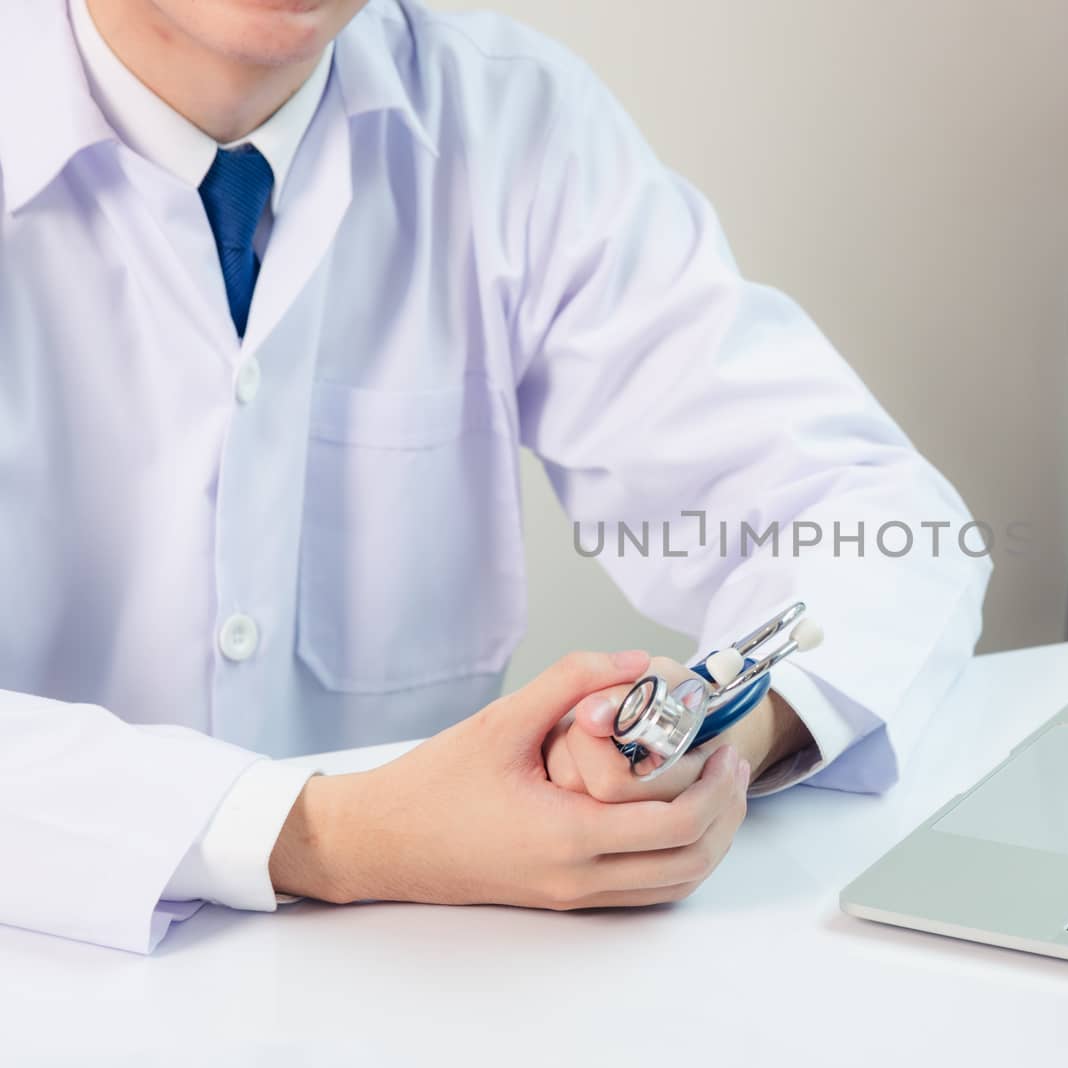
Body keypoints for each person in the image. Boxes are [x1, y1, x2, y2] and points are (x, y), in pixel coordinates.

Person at [0, 0, 989, 953]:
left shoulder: (510, 123)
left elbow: (876, 519)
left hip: (425, 978)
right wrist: (334, 835)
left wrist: (709, 732)